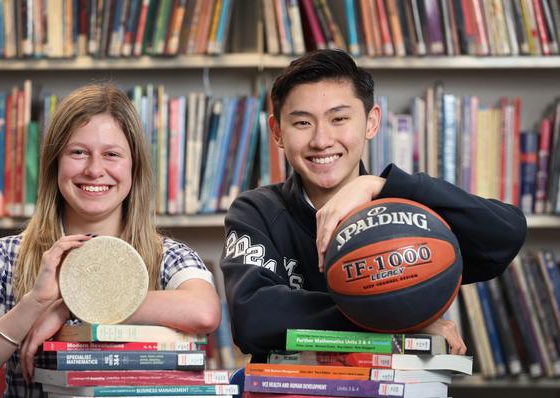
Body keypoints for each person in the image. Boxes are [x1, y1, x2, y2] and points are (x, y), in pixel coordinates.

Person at [221, 49, 527, 364]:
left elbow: (505, 235)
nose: (321, 140)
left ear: (371, 122)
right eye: (302, 123)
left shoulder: (408, 210)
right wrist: (395, 321)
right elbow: (253, 320)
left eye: (339, 119)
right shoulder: (256, 210)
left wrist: (381, 186)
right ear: (277, 132)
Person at [0, 83, 221, 398]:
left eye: (112, 154)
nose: (95, 170)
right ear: (55, 163)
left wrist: (74, 302)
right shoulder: (3, 258)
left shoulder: (168, 256)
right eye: (78, 152)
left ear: (134, 167)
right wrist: (33, 304)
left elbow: (205, 313)